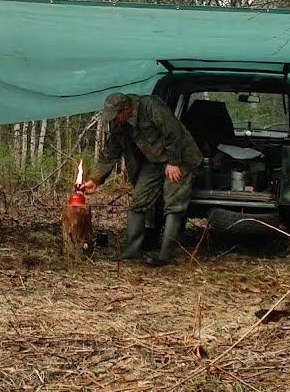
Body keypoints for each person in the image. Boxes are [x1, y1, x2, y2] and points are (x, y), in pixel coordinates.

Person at [81, 92, 203, 266]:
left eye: (116, 116)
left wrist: (173, 162)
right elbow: (110, 153)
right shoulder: (118, 125)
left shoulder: (150, 106)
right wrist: (95, 179)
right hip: (155, 160)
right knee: (138, 202)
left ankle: (164, 256)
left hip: (180, 157)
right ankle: (130, 252)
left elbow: (174, 132)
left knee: (173, 203)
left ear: (127, 109)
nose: (113, 121)